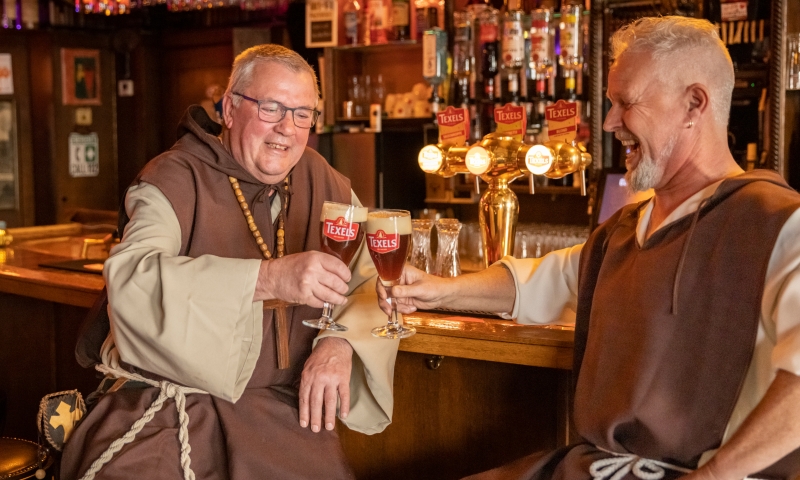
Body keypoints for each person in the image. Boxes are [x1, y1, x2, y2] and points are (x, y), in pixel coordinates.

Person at [379, 17, 800, 480]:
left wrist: (716, 475)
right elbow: (542, 280)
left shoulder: (778, 222)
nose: (609, 122)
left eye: (626, 103)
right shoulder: (625, 230)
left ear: (693, 104)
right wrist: (439, 290)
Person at [61, 44, 397, 479]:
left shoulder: (325, 181)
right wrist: (268, 278)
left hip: (282, 417)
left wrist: (341, 342)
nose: (287, 129)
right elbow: (131, 280)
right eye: (271, 108)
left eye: (303, 114)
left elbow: (375, 281)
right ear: (230, 107)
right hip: (166, 409)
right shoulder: (173, 177)